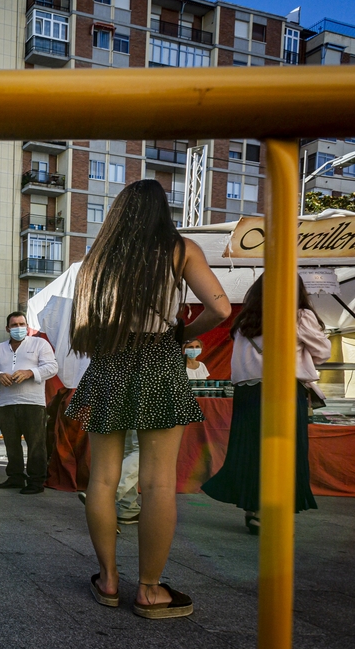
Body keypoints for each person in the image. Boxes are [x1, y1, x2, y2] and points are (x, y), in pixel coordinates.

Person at [67, 179, 230, 618]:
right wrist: (183, 334)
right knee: (158, 483)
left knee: (101, 479)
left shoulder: (96, 260)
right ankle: (150, 590)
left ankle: (108, 579)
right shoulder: (181, 249)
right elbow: (220, 309)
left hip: (111, 361)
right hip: (158, 359)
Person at [201, 275, 329, 534]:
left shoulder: (243, 322)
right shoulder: (299, 315)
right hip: (283, 391)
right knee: (284, 451)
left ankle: (254, 509)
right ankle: (273, 513)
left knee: (250, 450)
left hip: (248, 392)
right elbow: (323, 352)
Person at [0, 311, 58, 494]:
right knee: (11, 443)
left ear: (27, 327)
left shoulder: (39, 344)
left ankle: (36, 481)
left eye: (22, 324)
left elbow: (52, 366)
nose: (19, 328)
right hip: (6, 403)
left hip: (33, 403)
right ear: (7, 328)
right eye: (14, 325)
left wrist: (30, 372)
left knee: (35, 443)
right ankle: (15, 477)